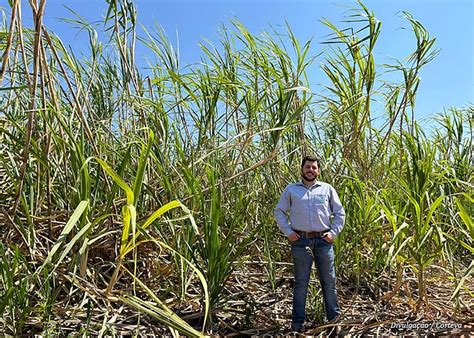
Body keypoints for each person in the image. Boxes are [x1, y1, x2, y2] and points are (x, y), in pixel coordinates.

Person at [274, 155, 345, 332]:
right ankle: (297, 325)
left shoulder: (327, 189)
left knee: (329, 282)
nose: (310, 170)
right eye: (307, 167)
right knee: (301, 283)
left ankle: (334, 323)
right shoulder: (291, 190)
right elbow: (279, 211)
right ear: (302, 169)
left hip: (323, 241)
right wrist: (289, 233)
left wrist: (333, 233)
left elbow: (340, 213)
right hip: (300, 241)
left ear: (318, 170)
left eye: (314, 167)